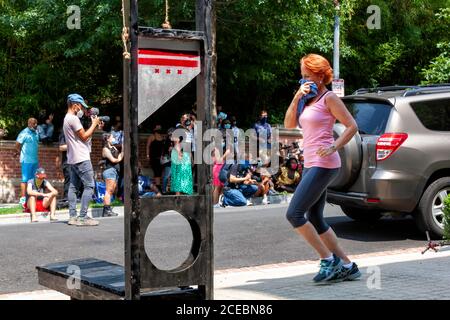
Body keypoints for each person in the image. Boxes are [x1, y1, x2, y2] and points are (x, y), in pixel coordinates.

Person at [284, 53, 361, 283]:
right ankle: (348, 265)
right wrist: (297, 97)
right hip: (311, 163)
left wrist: (334, 146)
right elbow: (289, 125)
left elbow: (351, 126)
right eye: (301, 76)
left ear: (319, 75)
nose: (303, 80)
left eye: (307, 76)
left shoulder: (329, 98)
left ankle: (329, 261)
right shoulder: (307, 100)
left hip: (324, 163)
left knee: (294, 214)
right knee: (315, 216)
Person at [64, 93, 102, 226]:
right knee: (89, 186)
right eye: (81, 106)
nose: (83, 109)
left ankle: (73, 216)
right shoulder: (73, 119)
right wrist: (94, 124)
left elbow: (80, 138)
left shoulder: (67, 118)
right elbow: (85, 136)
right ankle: (83, 217)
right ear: (75, 105)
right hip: (81, 158)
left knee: (73, 187)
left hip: (73, 158)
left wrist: (94, 127)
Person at [14, 118, 39, 207]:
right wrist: (19, 151)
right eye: (33, 123)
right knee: (25, 180)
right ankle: (23, 199)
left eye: (36, 123)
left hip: (35, 160)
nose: (35, 125)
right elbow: (17, 144)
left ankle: (31, 198)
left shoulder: (36, 132)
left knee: (34, 180)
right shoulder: (24, 133)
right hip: (26, 161)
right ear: (29, 124)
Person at [101, 132, 124, 217]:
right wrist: (120, 158)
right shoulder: (105, 149)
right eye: (112, 137)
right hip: (109, 170)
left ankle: (107, 210)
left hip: (115, 171)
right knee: (109, 190)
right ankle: (106, 210)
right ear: (107, 139)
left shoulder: (113, 147)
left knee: (112, 191)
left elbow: (120, 154)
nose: (114, 138)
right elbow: (114, 160)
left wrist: (123, 149)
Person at [170, 119, 193, 195]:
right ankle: (178, 195)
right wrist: (179, 153)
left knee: (186, 174)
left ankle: (185, 193)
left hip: (186, 154)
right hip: (179, 154)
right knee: (179, 174)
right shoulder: (178, 130)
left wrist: (190, 156)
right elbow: (176, 143)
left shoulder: (188, 132)